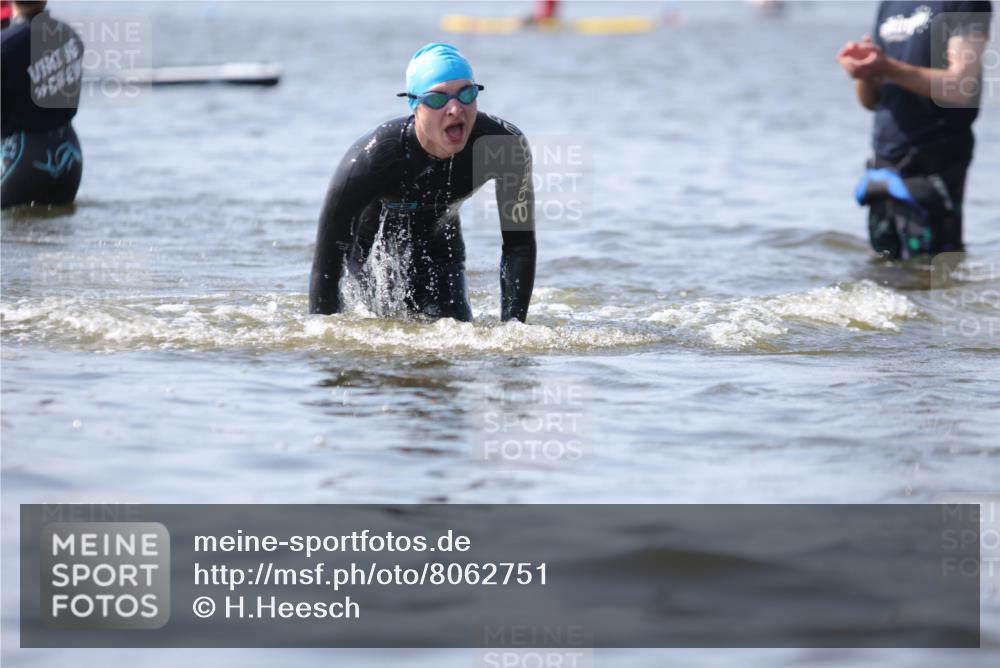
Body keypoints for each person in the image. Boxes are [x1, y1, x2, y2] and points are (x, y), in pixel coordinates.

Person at [309, 43, 536, 322]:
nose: (455, 108)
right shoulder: (374, 158)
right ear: (415, 105)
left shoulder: (503, 146)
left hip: (442, 253)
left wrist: (513, 334)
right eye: (438, 99)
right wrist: (323, 334)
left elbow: (519, 245)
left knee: (454, 338)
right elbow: (327, 262)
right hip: (371, 255)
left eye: (466, 94)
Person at [838, 2, 992, 259]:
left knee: (934, 275)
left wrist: (888, 67)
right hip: (882, 164)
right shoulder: (889, 5)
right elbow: (871, 102)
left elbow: (960, 87)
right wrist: (864, 71)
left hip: (935, 162)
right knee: (881, 273)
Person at [1, 1, 84, 209]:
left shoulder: (5, 44)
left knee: (14, 237)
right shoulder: (70, 36)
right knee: (55, 233)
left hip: (20, 157)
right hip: (70, 154)